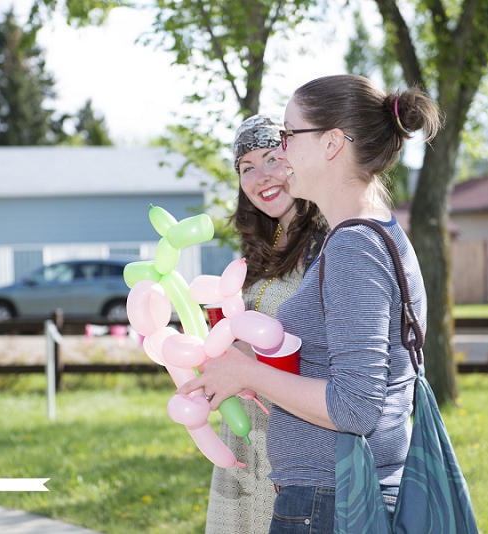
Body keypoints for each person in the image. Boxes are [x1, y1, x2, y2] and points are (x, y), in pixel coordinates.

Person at [180, 75, 442, 532]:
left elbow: (356, 408)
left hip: (329, 502)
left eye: (287, 135)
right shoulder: (371, 236)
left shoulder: (351, 247)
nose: (280, 152)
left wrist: (246, 371)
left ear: (332, 144)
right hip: (328, 495)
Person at [205, 115, 327, 534]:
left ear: (296, 159)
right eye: (246, 168)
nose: (261, 177)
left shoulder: (329, 241)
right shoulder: (263, 245)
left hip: (297, 440)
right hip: (244, 437)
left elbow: (326, 350)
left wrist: (245, 359)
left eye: (272, 158)